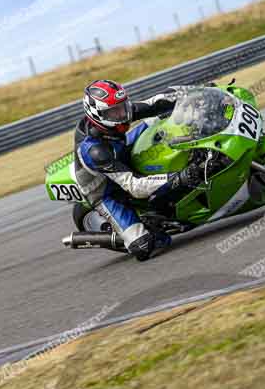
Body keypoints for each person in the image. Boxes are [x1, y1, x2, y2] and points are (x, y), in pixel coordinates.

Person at [74, 80, 203, 260]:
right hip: (105, 191)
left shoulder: (114, 115)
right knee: (144, 246)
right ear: (98, 115)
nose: (123, 114)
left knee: (162, 116)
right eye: (114, 112)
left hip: (119, 152)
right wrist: (178, 178)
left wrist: (196, 91)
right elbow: (134, 186)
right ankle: (127, 234)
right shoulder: (95, 151)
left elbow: (155, 102)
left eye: (123, 107)